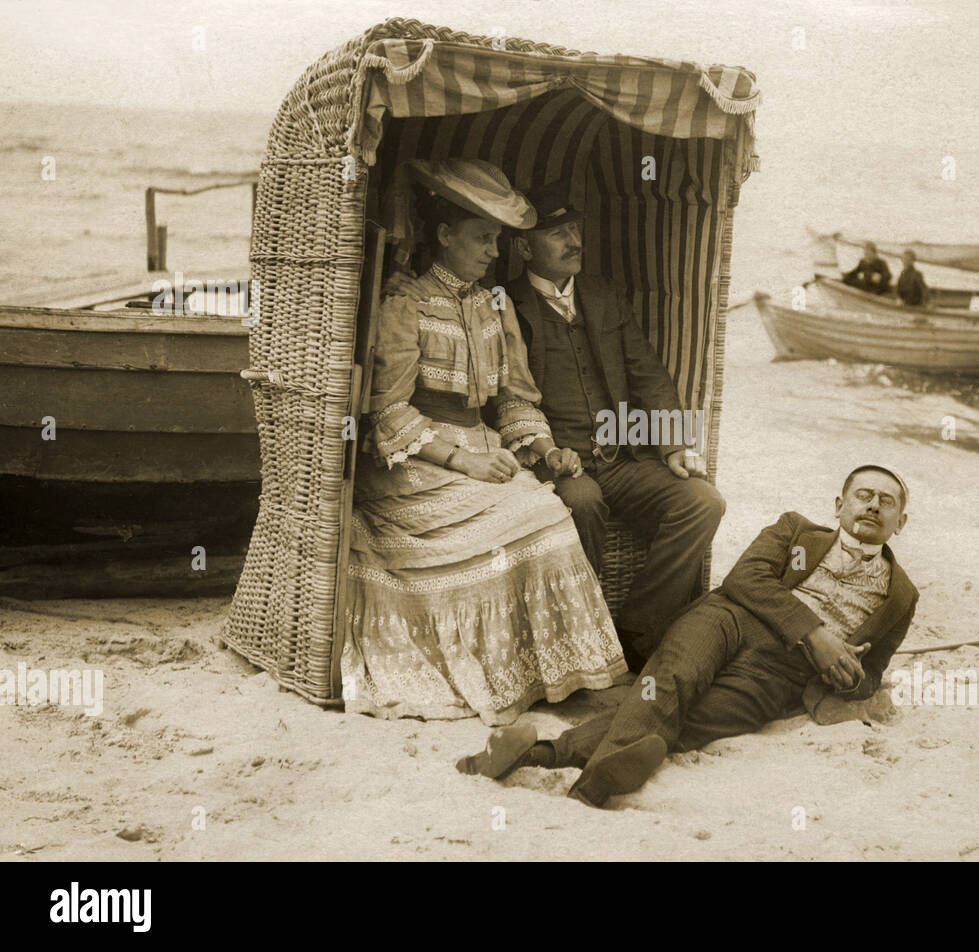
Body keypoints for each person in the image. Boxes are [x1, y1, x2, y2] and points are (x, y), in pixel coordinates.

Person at [341, 159, 626, 727]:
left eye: (497, 238)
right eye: (481, 238)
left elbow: (515, 399)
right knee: (522, 520)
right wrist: (462, 459)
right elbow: (387, 410)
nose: (493, 251)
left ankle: (547, 676)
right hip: (417, 460)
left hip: (484, 447)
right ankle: (500, 677)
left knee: (548, 510)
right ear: (444, 236)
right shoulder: (406, 305)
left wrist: (544, 450)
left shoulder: (495, 306)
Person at [457, 463, 919, 807]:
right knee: (672, 682)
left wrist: (848, 675)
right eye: (864, 495)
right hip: (730, 619)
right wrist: (816, 633)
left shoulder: (902, 595)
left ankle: (545, 758)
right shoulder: (795, 530)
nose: (874, 505)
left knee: (694, 717)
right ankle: (594, 783)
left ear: (900, 522)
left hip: (783, 673)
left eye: (887, 501)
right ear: (840, 506)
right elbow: (747, 579)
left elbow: (871, 676)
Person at [505, 181, 726, 666]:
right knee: (582, 503)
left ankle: (633, 631)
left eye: (574, 229)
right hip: (554, 463)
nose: (573, 241)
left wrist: (672, 446)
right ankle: (576, 638)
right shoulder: (504, 304)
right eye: (557, 233)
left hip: (623, 456)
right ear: (524, 247)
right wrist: (544, 453)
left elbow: (648, 374)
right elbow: (504, 396)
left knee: (703, 503)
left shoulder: (603, 295)